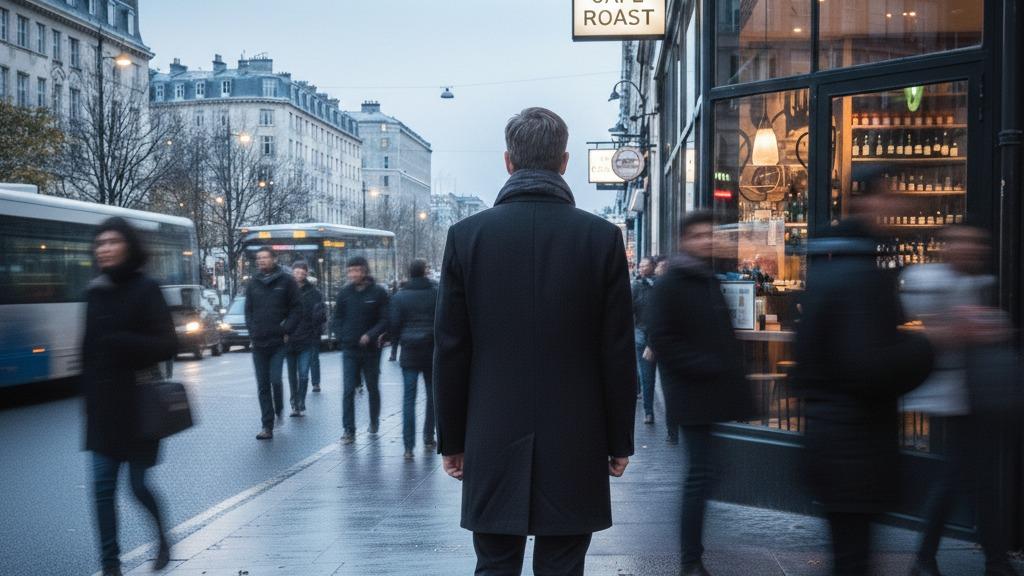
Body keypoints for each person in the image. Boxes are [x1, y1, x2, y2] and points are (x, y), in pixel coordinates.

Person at [434, 107, 637, 576]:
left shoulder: (467, 238)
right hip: (576, 433)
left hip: (491, 431)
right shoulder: (601, 238)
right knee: (564, 564)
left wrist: (453, 439)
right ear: (564, 162)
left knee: (495, 562)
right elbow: (616, 350)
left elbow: (451, 349)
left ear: (508, 161)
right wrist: (619, 438)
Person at [793, 173, 933, 576]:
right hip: (854, 444)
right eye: (891, 196)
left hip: (834, 439)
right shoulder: (861, 275)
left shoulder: (829, 267)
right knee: (853, 558)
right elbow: (867, 368)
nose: (899, 207)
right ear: (867, 203)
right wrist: (930, 344)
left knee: (849, 554)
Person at [901, 227, 1020, 576]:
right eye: (963, 242)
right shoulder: (927, 278)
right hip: (954, 395)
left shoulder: (977, 282)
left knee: (972, 477)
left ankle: (974, 559)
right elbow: (937, 329)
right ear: (947, 245)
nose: (971, 249)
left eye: (976, 243)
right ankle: (985, 560)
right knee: (964, 477)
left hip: (978, 394)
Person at [645, 211, 754, 576]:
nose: (708, 240)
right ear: (684, 240)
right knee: (700, 476)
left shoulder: (703, 278)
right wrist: (707, 366)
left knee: (706, 474)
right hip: (692, 394)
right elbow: (662, 338)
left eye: (711, 234)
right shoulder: (674, 282)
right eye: (699, 235)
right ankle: (690, 560)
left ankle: (693, 556)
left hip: (707, 393)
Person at [82, 217, 177, 575]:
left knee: (137, 486)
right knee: (102, 491)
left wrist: (123, 342)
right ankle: (110, 566)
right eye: (99, 242)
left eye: (111, 241)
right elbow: (88, 351)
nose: (103, 248)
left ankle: (162, 538)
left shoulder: (146, 288)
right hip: (104, 411)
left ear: (128, 246)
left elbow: (169, 344)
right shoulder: (96, 291)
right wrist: (88, 402)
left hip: (139, 407)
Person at [245, 246, 302, 440]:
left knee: (275, 379)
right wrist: (252, 331)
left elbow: (297, 308)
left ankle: (279, 406)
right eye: (258, 258)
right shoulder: (253, 283)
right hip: (259, 342)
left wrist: (286, 329)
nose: (260, 261)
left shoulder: (286, 281)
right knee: (262, 385)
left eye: (265, 257)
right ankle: (266, 426)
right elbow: (248, 310)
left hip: (278, 341)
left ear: (274, 259)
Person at [333, 256, 389, 444]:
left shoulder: (378, 293)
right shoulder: (344, 294)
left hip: (371, 350)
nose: (352, 274)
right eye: (350, 271)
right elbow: (337, 318)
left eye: (356, 270)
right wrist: (341, 336)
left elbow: (385, 319)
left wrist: (371, 335)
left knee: (372, 387)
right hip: (349, 349)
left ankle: (374, 420)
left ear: (364, 271)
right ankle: (349, 430)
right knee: (348, 389)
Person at [389, 259, 439, 459]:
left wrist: (397, 342)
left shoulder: (400, 296)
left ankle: (408, 446)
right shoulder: (435, 294)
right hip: (431, 350)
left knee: (408, 399)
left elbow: (394, 324)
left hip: (409, 350)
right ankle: (429, 436)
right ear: (425, 272)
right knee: (432, 397)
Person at [284, 261, 324, 417]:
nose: (299, 275)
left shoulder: (314, 293)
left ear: (307, 274)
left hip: (307, 339)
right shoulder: (286, 292)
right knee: (292, 375)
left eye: (302, 272)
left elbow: (320, 316)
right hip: (289, 338)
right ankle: (294, 402)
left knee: (303, 373)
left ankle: (300, 401)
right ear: (292, 272)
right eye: (296, 272)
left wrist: (316, 331)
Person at [632, 256, 657, 423]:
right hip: (642, 334)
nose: (641, 268)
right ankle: (649, 412)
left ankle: (673, 426)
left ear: (653, 266)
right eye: (640, 265)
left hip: (661, 336)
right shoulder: (636, 286)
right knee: (647, 376)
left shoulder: (660, 285)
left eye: (645, 265)